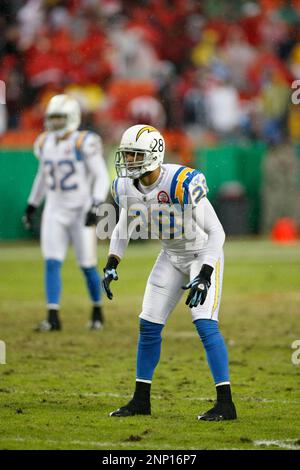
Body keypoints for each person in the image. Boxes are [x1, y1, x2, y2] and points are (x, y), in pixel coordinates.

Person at [102, 124, 237, 421]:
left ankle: (226, 404)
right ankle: (141, 400)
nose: (128, 162)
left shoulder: (179, 182)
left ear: (153, 155)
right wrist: (113, 261)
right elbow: (123, 225)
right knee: (148, 324)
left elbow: (217, 232)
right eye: (126, 155)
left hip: (202, 254)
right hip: (170, 255)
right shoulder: (125, 186)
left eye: (135, 156)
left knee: (204, 323)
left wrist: (204, 273)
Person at [23, 94, 109, 331]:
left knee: (87, 264)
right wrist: (32, 204)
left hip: (81, 209)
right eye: (53, 118)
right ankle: (53, 315)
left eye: (60, 118)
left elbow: (101, 175)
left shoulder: (84, 142)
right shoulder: (44, 142)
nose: (56, 123)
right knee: (51, 261)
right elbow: (42, 176)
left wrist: (95, 204)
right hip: (54, 208)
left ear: (72, 117)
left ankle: (97, 308)